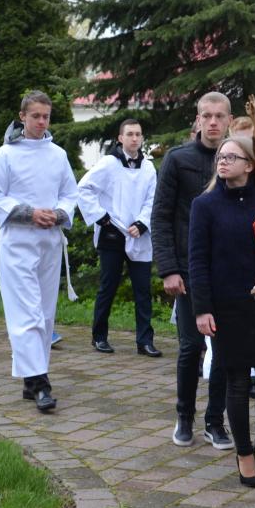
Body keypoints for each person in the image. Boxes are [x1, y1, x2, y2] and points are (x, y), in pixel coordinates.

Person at [188, 135, 255, 487]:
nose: (223, 162)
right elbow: (197, 260)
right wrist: (202, 309)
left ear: (250, 165)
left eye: (232, 157)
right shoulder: (205, 205)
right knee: (238, 379)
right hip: (227, 305)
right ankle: (244, 453)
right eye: (221, 157)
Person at [0, 90, 78, 413]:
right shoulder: (5, 155)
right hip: (18, 243)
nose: (41, 122)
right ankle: (39, 383)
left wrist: (59, 213)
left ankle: (30, 377)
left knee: (46, 314)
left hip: (49, 242)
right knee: (27, 313)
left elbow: (70, 194)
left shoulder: (58, 155)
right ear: (22, 116)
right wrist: (29, 213)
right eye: (35, 116)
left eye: (46, 116)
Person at [152, 91, 234, 449]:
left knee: (224, 349)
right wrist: (168, 269)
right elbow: (161, 217)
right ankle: (184, 416)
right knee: (190, 347)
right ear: (198, 120)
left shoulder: (239, 159)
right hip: (187, 271)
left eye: (220, 116)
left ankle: (215, 421)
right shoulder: (178, 159)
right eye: (207, 116)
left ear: (229, 120)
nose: (213, 122)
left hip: (227, 271)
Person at [78, 118, 160, 357]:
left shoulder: (148, 168)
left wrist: (142, 223)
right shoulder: (108, 164)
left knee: (142, 290)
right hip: (112, 233)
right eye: (130, 134)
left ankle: (145, 340)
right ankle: (99, 336)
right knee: (108, 286)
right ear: (120, 138)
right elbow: (84, 188)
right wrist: (101, 217)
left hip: (139, 235)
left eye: (138, 134)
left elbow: (153, 199)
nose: (135, 138)